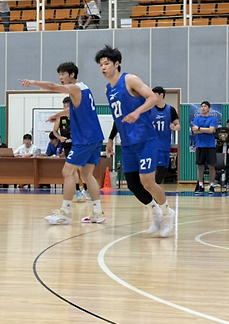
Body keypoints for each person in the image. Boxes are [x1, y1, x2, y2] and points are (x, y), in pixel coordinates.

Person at [96, 45, 175, 236]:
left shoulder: (129, 79)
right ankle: (155, 214)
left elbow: (152, 98)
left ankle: (168, 213)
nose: (103, 67)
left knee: (147, 182)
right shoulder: (108, 90)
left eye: (106, 63)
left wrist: (137, 112)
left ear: (117, 64)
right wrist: (111, 138)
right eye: (100, 65)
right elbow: (118, 117)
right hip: (127, 143)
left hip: (145, 139)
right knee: (132, 184)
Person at [20, 61, 106, 224]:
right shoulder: (85, 89)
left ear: (72, 75)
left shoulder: (74, 88)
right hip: (95, 138)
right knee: (87, 174)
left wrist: (34, 82)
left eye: (63, 74)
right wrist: (58, 114)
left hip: (85, 139)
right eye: (59, 74)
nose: (60, 78)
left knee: (67, 172)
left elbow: (52, 86)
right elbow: (75, 110)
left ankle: (65, 213)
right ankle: (98, 212)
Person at [53, 96, 90, 201]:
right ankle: (77, 190)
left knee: (81, 167)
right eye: (65, 106)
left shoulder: (77, 116)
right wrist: (60, 138)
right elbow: (54, 131)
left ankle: (85, 188)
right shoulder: (60, 118)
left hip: (78, 144)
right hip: (67, 145)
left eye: (68, 106)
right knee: (72, 169)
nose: (66, 108)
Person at [150, 86, 180, 185]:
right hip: (154, 143)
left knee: (165, 167)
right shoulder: (149, 109)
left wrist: (175, 127)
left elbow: (178, 125)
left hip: (166, 143)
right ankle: (153, 186)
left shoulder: (170, 109)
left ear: (161, 95)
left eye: (154, 95)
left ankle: (154, 185)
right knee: (160, 165)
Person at [192, 101, 217, 194]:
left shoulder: (212, 119)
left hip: (210, 146)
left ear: (209, 108)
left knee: (211, 166)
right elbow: (194, 131)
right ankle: (201, 185)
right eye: (202, 106)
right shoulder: (197, 118)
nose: (203, 108)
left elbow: (211, 130)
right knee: (200, 166)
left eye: (205, 106)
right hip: (200, 145)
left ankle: (212, 185)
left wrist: (199, 129)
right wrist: (205, 130)